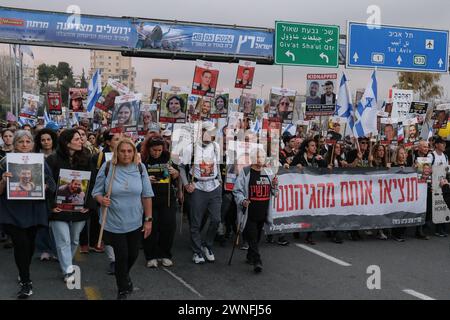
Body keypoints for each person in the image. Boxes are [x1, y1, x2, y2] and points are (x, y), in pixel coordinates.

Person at [92, 138, 154, 300]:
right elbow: (95, 192)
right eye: (122, 151)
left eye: (129, 151)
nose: (126, 154)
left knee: (133, 254)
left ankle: (124, 276)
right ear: (116, 152)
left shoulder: (140, 168)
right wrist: (101, 200)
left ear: (134, 152)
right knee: (122, 256)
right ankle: (122, 287)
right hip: (113, 221)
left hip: (134, 221)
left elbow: (146, 195)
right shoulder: (107, 168)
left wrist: (148, 220)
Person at [0, 130, 56, 299]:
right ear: (14, 145)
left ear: (32, 144)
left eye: (28, 141)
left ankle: (23, 269)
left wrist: (45, 186)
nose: (24, 145)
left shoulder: (40, 162)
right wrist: (3, 180)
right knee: (21, 244)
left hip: (34, 210)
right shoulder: (4, 162)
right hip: (12, 212)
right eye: (20, 142)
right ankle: (26, 281)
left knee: (29, 245)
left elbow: (52, 183)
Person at [46, 129, 95, 283]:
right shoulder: (52, 160)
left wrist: (89, 203)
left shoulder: (87, 159)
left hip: (80, 209)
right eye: (77, 139)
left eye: (81, 138)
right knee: (63, 241)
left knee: (74, 240)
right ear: (67, 143)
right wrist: (51, 205)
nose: (81, 141)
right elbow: (47, 184)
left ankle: (66, 262)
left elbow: (92, 183)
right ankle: (68, 270)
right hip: (59, 209)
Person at [179, 122, 222, 264]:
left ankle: (207, 245)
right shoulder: (190, 148)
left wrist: (220, 180)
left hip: (214, 187)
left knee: (216, 219)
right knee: (196, 222)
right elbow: (181, 167)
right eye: (207, 131)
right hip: (198, 187)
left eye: (212, 132)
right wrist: (186, 184)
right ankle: (197, 251)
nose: (210, 134)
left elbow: (218, 165)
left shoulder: (216, 147)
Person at [233, 148, 278, 273]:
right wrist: (242, 200)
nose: (260, 160)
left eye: (262, 157)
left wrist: (275, 185)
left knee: (257, 237)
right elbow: (237, 190)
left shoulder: (268, 172)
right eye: (258, 157)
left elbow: (275, 192)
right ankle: (258, 261)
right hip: (249, 212)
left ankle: (250, 256)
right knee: (252, 237)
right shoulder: (246, 171)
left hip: (263, 211)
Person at [141, 138, 179, 268]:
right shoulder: (143, 159)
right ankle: (150, 256)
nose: (157, 153)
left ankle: (165, 254)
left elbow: (177, 174)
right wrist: (146, 179)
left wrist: (175, 173)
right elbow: (137, 176)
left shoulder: (169, 158)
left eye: (159, 150)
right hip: (149, 199)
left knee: (168, 227)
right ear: (148, 149)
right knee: (151, 226)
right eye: (154, 150)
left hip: (167, 199)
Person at [428, 136, 449, 237]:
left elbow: (447, 170)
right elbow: (426, 169)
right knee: (436, 207)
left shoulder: (445, 156)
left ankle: (442, 228)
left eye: (444, 144)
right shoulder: (431, 156)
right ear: (436, 145)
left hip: (443, 185)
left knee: (443, 206)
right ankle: (436, 229)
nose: (444, 145)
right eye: (442, 143)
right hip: (433, 186)